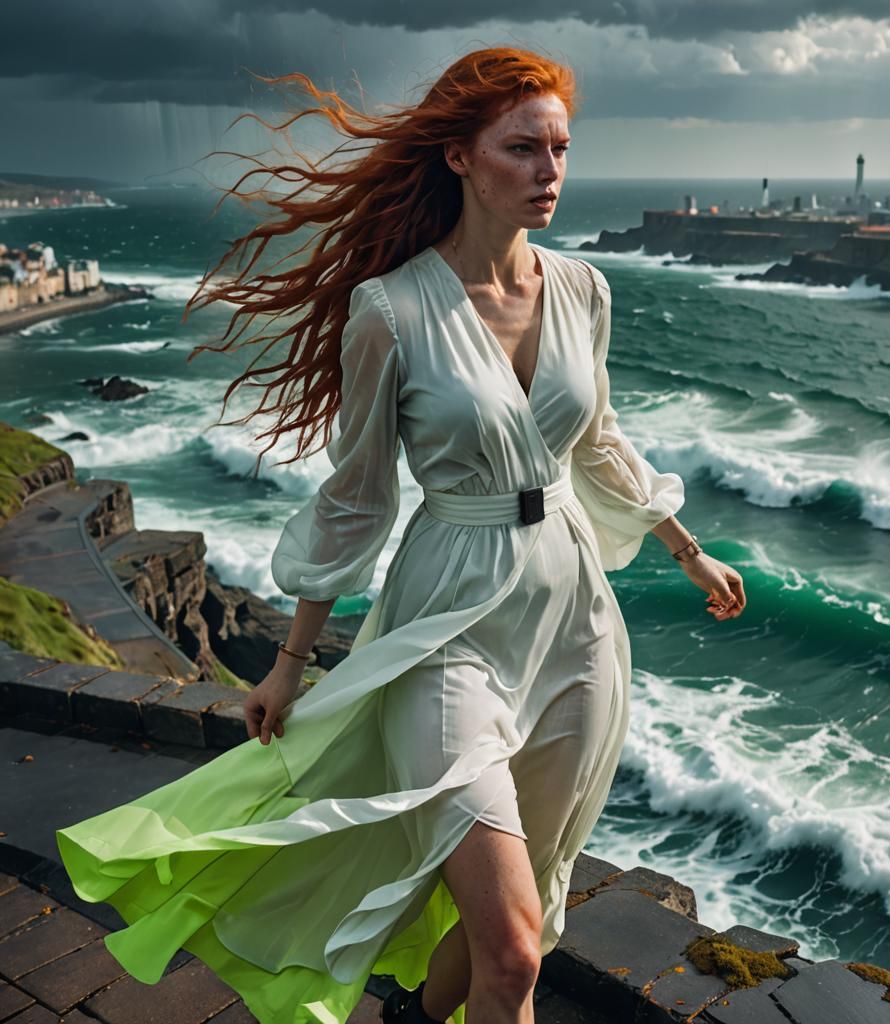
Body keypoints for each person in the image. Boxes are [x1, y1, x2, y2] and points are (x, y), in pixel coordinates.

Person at [55, 47, 746, 1024]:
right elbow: (355, 500)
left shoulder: (585, 291)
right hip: (446, 621)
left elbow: (599, 443)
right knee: (513, 951)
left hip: (575, 621)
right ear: (459, 156)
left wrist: (685, 547)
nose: (549, 171)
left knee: (511, 925)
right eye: (522, 148)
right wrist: (292, 662)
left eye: (560, 149)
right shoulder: (391, 310)